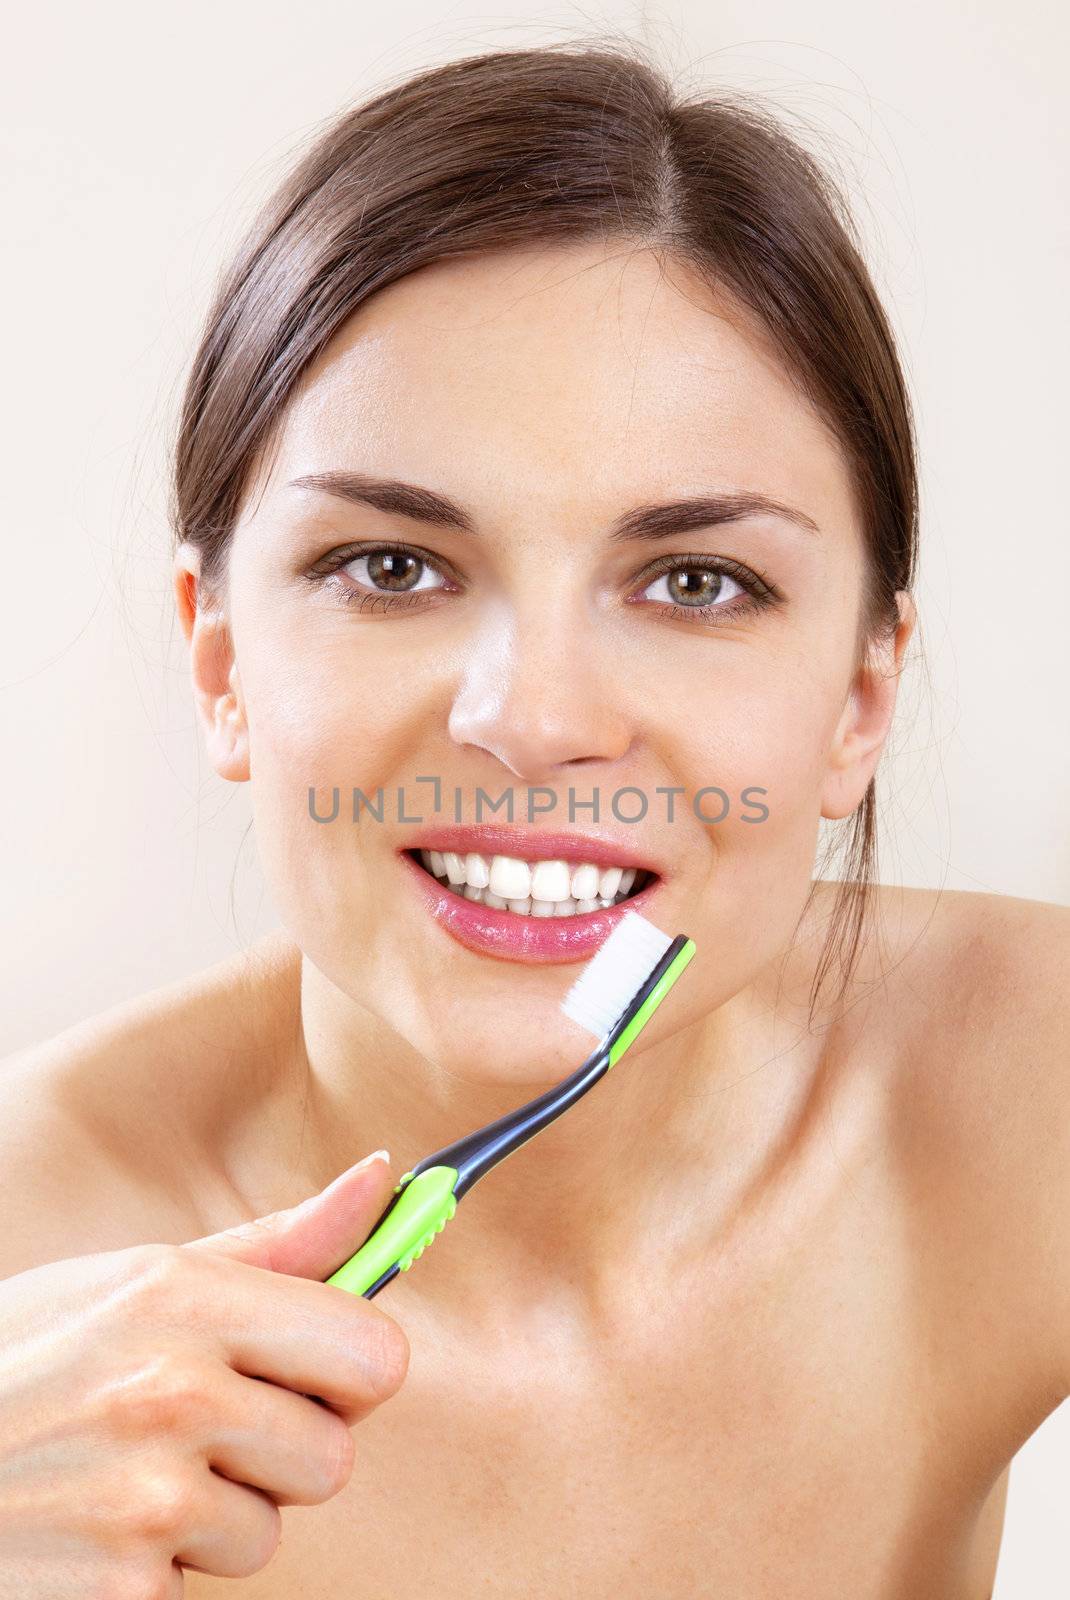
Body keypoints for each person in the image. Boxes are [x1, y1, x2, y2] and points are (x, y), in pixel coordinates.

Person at [0, 38, 1066, 1600]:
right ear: (221, 663)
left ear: (857, 699)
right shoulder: (28, 1258)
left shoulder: (1026, 1091)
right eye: (392, 566)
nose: (535, 720)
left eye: (695, 581)